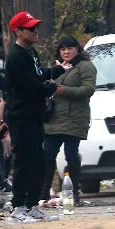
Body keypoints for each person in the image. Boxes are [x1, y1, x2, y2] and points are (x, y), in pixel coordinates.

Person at [5, 12, 60, 222]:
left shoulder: (31, 53)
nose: (36, 31)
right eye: (30, 28)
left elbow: (38, 77)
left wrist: (53, 74)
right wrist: (50, 88)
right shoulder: (16, 56)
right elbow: (29, 86)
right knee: (25, 161)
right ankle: (18, 207)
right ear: (18, 32)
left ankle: (32, 205)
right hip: (22, 116)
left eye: (36, 27)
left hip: (35, 115)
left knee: (39, 162)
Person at [41, 36, 96, 205]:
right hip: (54, 117)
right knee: (48, 154)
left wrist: (65, 91)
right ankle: (43, 193)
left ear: (77, 49)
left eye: (70, 48)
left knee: (71, 154)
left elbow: (88, 89)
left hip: (74, 118)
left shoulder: (85, 66)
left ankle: (73, 193)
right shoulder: (57, 67)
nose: (66, 51)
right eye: (63, 48)